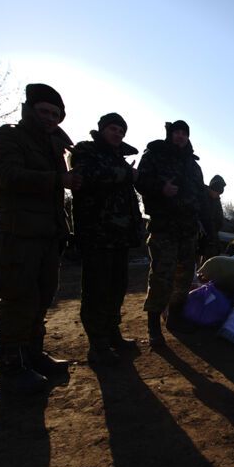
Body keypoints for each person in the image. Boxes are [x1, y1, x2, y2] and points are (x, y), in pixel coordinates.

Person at [0, 83, 83, 395]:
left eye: (56, 114)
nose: (50, 118)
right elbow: (8, 176)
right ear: (29, 109)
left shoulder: (53, 145)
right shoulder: (7, 137)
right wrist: (59, 178)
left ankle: (33, 355)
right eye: (44, 111)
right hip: (17, 234)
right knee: (17, 297)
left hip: (47, 236)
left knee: (42, 297)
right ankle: (12, 368)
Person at [70, 112, 143, 367]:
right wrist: (126, 174)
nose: (117, 134)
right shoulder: (84, 151)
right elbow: (89, 176)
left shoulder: (119, 159)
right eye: (113, 129)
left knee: (116, 288)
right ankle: (97, 346)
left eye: (121, 131)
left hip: (119, 238)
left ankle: (113, 334)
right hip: (97, 236)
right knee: (96, 291)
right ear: (101, 130)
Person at [135, 120, 207, 347]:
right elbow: (141, 181)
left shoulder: (193, 165)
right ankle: (153, 326)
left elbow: (201, 196)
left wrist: (201, 222)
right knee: (161, 277)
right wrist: (160, 189)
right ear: (170, 134)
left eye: (184, 133)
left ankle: (174, 319)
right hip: (164, 227)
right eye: (176, 132)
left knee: (184, 277)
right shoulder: (155, 155)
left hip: (188, 230)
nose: (180, 136)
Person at [198, 174, 226, 266]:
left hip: (211, 233)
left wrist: (214, 231)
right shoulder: (201, 195)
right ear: (211, 189)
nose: (217, 195)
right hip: (199, 232)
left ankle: (205, 274)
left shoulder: (217, 200)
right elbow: (200, 215)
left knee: (214, 252)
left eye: (219, 194)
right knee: (194, 255)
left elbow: (219, 218)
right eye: (217, 192)